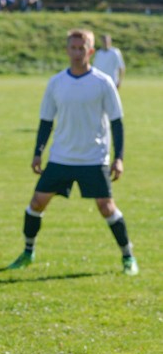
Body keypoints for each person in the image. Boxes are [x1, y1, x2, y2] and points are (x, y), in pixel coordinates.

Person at [8, 29, 138, 276]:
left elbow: (117, 122)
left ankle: (128, 256)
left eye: (83, 48)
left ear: (90, 51)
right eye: (73, 48)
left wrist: (118, 158)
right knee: (36, 203)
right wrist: (38, 153)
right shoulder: (56, 83)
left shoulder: (103, 82)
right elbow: (46, 120)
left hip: (94, 158)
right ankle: (27, 252)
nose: (78, 53)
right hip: (61, 157)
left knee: (106, 207)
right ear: (67, 50)